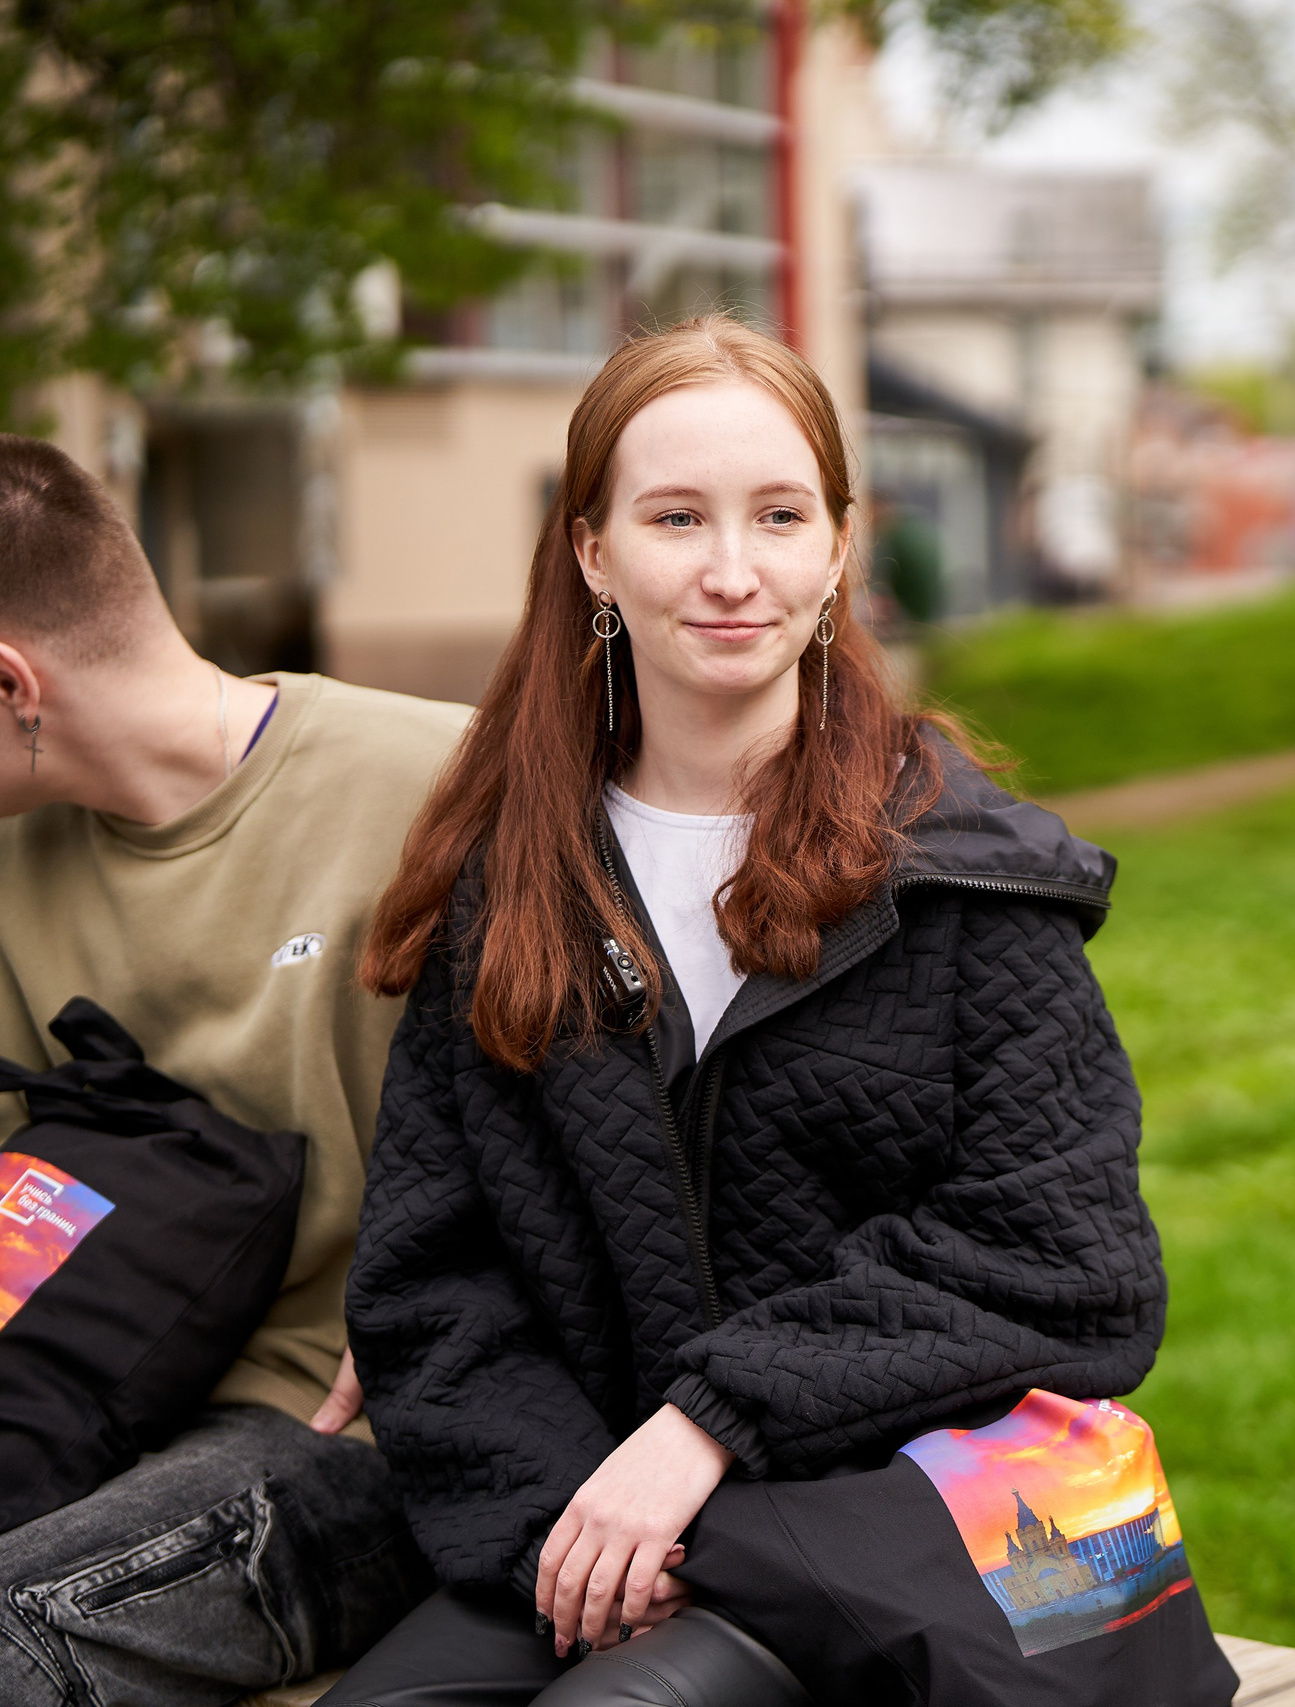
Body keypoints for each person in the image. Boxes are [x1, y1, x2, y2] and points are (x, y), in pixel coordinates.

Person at [326, 316, 1212, 1706]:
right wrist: (589, 1526)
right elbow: (434, 1287)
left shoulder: (965, 878)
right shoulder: (513, 889)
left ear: (839, 547)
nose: (735, 571)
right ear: (593, 553)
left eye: (780, 515)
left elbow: (1069, 1257)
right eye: (677, 516)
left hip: (918, 1529)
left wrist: (712, 1425)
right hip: (603, 1520)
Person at [0, 433, 465, 1701]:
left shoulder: (445, 785)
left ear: (10, 683)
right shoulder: (13, 881)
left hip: (367, 1435)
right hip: (101, 1399)